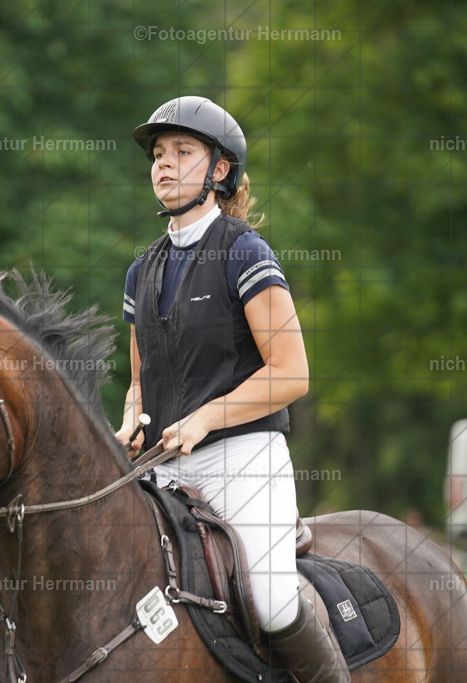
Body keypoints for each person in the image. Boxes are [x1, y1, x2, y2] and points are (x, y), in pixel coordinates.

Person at [115, 96, 349, 682]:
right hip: (163, 471)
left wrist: (207, 417)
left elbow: (292, 373)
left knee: (271, 600)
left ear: (220, 170)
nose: (163, 165)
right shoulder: (141, 270)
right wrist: (130, 419)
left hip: (244, 462)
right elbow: (141, 381)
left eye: (182, 152)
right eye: (159, 154)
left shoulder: (243, 252)